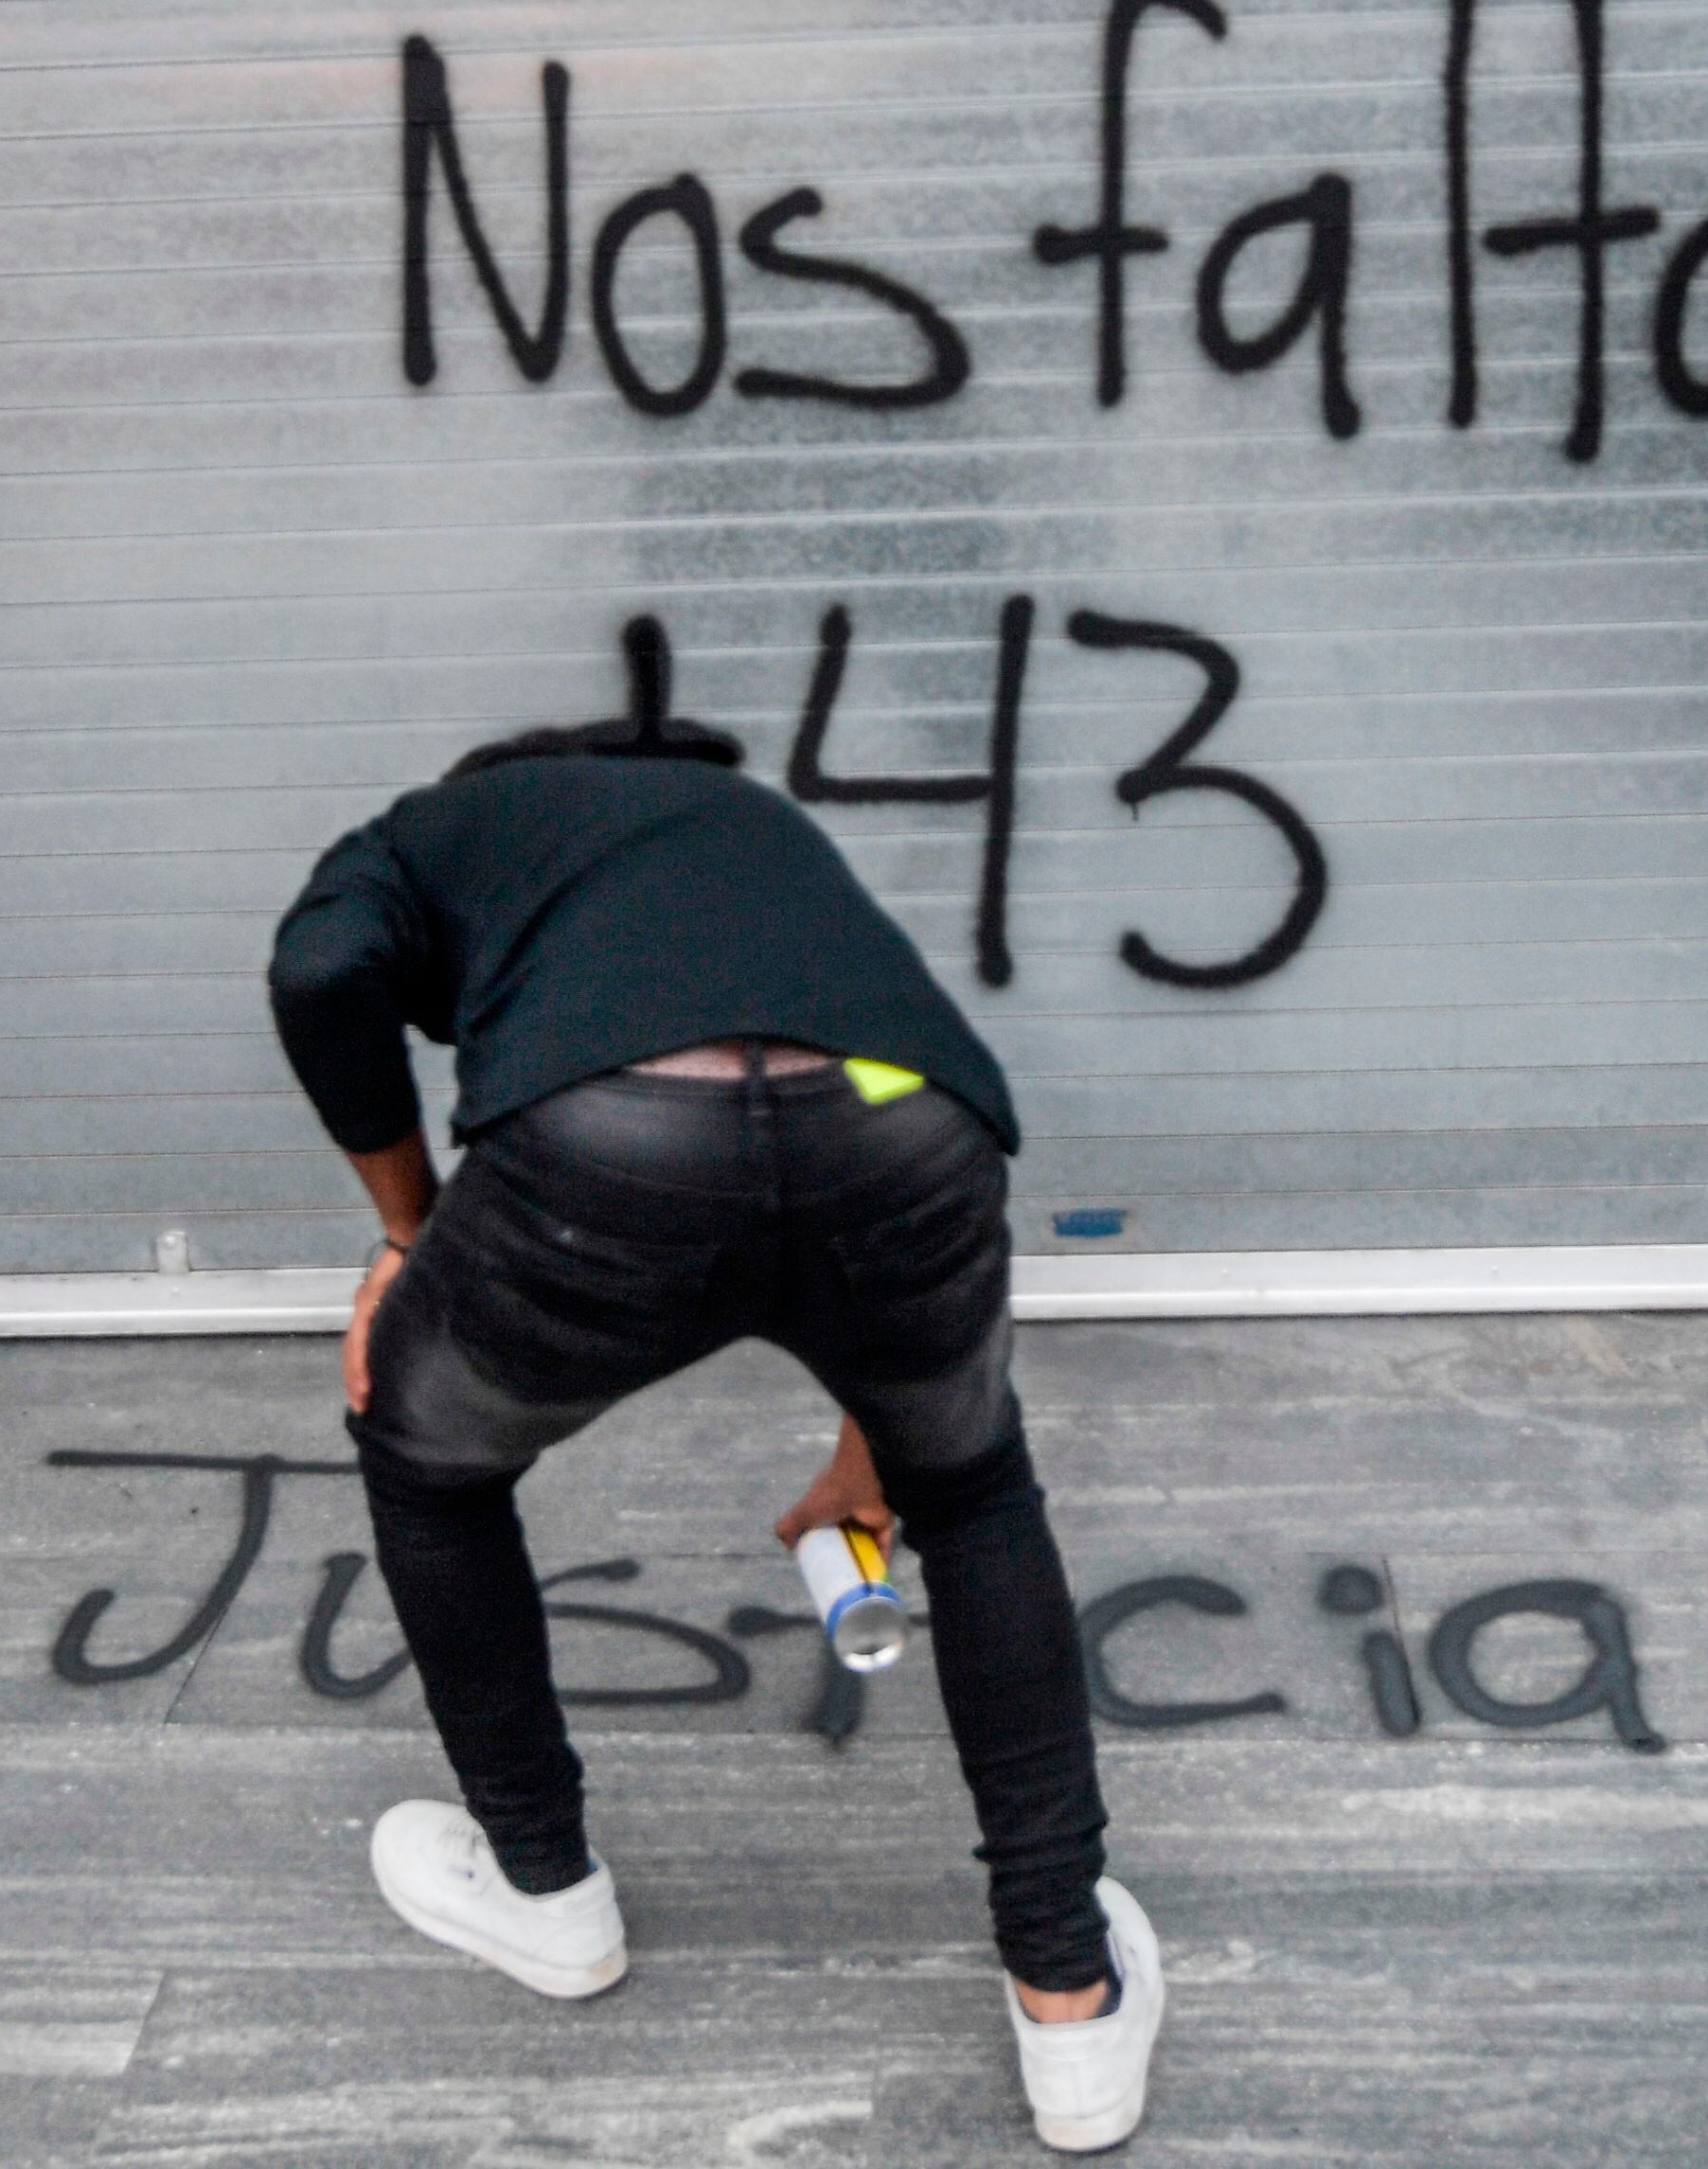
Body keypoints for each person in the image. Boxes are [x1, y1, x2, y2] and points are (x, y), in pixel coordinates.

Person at [267, 644, 1160, 2153]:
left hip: (610, 1135)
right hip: (899, 1108)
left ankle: (546, 1888)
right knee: (976, 1487)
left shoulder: (435, 829)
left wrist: (410, 1233)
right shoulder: (748, 830)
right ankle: (1068, 2003)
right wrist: (878, 1449)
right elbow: (809, 1100)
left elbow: (317, 972)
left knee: (425, 1452)